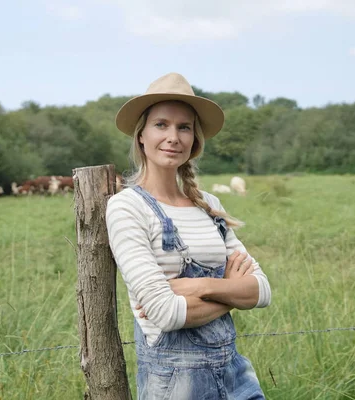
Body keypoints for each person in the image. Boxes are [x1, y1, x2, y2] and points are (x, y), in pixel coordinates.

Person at [105, 72, 272, 399]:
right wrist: (232, 293)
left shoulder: (209, 205)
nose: (173, 137)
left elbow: (262, 291)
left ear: (195, 139)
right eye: (161, 125)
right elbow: (166, 314)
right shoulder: (127, 207)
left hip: (236, 377)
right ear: (141, 135)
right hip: (177, 385)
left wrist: (200, 286)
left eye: (184, 127)